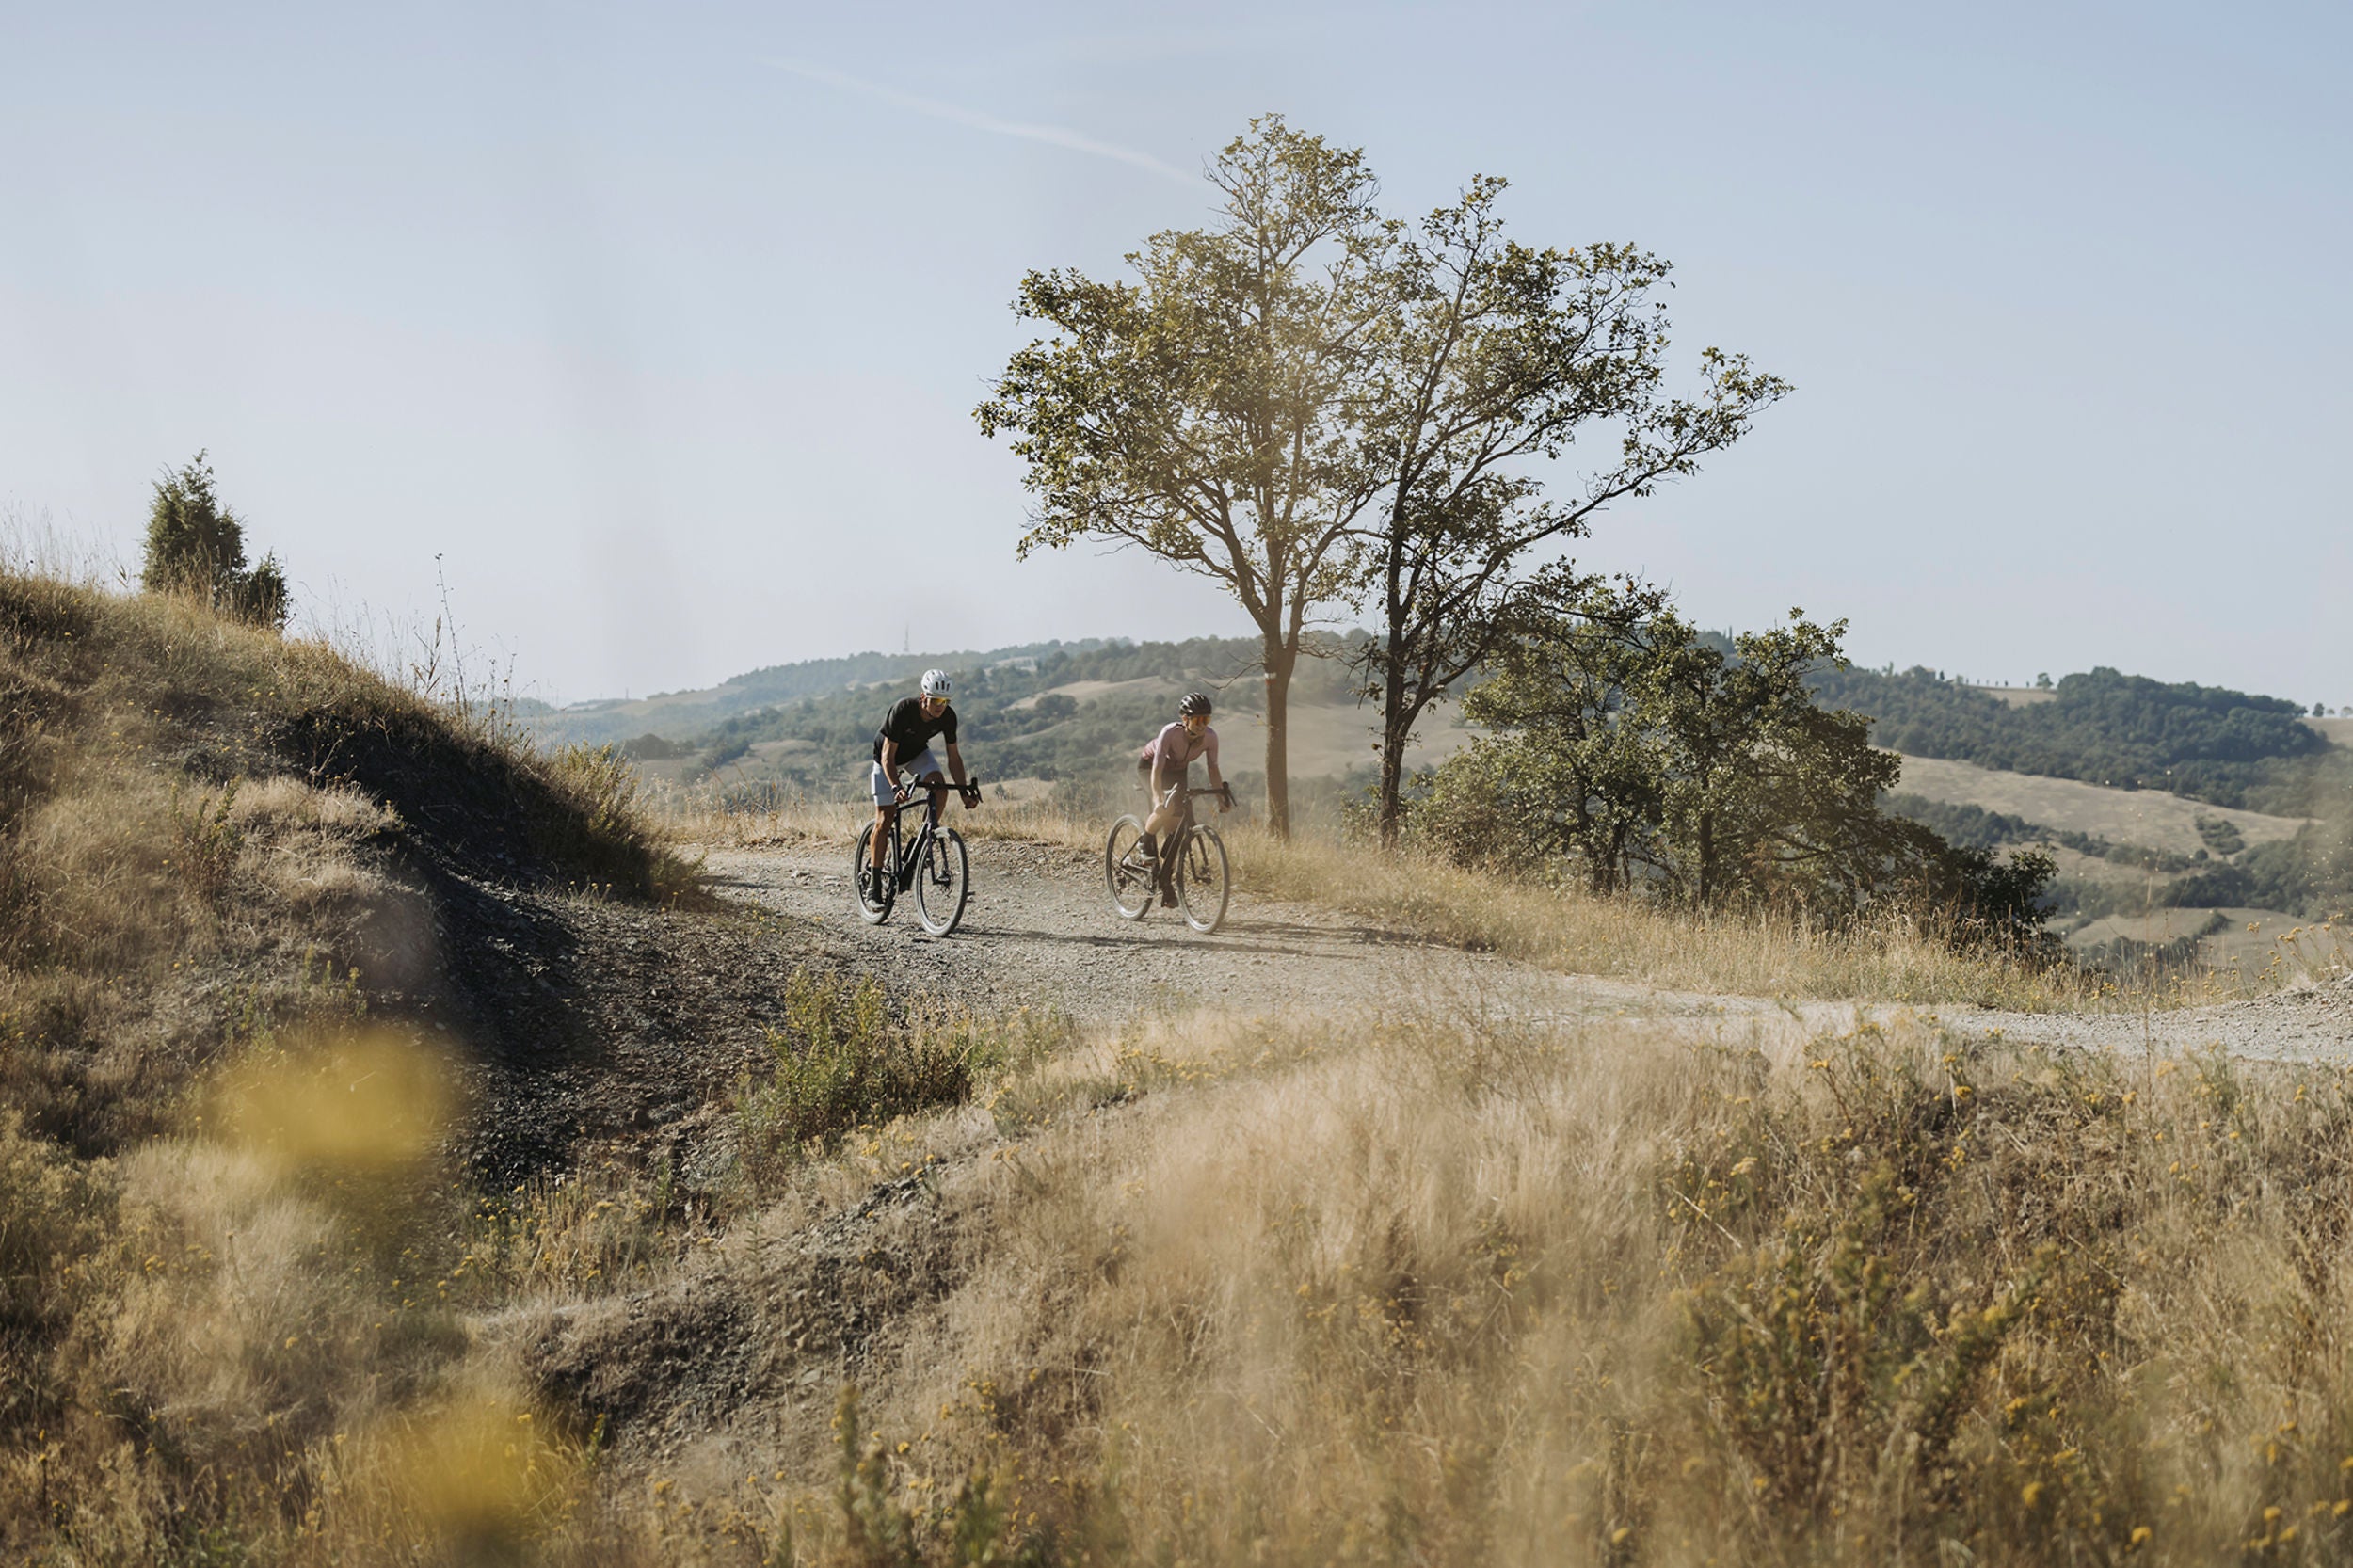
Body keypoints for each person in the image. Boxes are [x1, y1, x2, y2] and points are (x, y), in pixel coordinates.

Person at [867, 668, 977, 901]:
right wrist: (896, 786)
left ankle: (921, 843)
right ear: (923, 697)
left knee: (939, 786)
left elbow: (954, 757)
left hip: (917, 754)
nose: (941, 706)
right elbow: (888, 756)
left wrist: (964, 791)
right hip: (887, 758)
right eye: (936, 700)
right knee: (885, 818)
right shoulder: (903, 710)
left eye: (945, 701)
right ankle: (874, 884)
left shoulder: (948, 717)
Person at [1135, 691, 1226, 907]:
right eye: (1198, 720)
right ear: (1185, 719)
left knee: (1175, 831)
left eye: (1207, 719)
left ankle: (1166, 882)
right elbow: (1156, 771)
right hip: (1151, 767)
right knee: (1164, 810)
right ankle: (1144, 841)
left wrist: (1220, 796)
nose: (1203, 725)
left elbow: (1213, 769)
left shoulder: (1211, 738)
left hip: (1177, 771)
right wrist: (1158, 799)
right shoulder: (1170, 732)